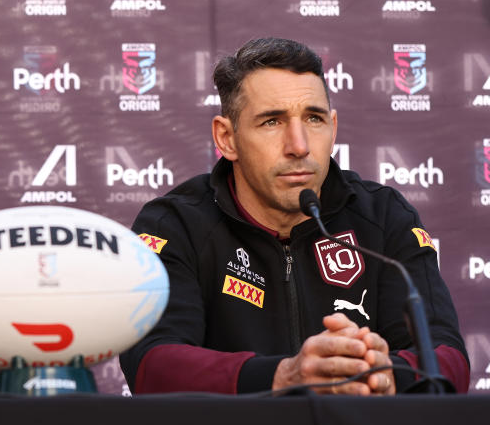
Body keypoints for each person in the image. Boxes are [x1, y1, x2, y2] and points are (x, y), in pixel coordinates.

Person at [120, 37, 469, 395]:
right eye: (272, 122)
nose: (299, 146)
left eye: (314, 119)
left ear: (332, 127)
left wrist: (388, 372)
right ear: (226, 138)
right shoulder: (175, 225)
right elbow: (152, 365)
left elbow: (448, 357)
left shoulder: (383, 216)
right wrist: (284, 377)